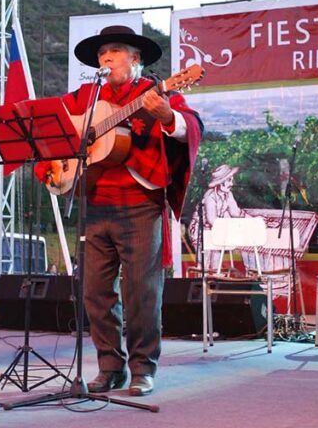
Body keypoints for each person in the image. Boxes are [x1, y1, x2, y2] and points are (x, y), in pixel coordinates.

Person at [35, 26, 202, 396]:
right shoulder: (84, 98)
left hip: (140, 204)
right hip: (95, 204)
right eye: (102, 54)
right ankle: (110, 367)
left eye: (114, 51)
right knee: (95, 292)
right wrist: (52, 167)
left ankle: (143, 368)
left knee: (141, 292)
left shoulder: (156, 92)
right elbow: (52, 135)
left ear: (136, 59)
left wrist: (167, 117)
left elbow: (191, 126)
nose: (106, 58)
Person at [188, 164, 247, 271]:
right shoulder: (210, 197)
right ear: (221, 183)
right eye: (229, 180)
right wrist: (231, 225)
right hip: (201, 232)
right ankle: (204, 284)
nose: (231, 184)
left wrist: (255, 219)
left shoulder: (228, 195)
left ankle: (214, 283)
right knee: (204, 264)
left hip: (216, 232)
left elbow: (236, 213)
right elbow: (212, 220)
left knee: (217, 263)